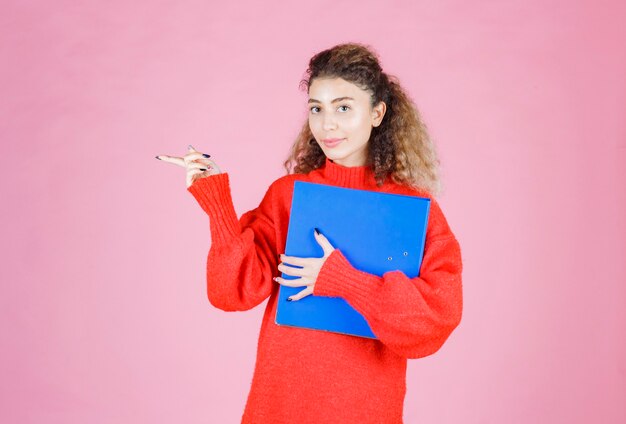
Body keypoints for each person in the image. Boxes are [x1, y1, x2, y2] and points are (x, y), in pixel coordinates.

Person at [156, 42, 463, 424]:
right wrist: (216, 202)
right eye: (317, 108)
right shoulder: (288, 195)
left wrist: (342, 280)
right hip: (280, 402)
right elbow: (231, 292)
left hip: (364, 409)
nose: (327, 124)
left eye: (344, 108)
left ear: (377, 113)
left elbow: (433, 322)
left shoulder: (415, 211)